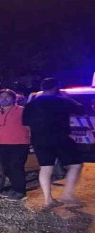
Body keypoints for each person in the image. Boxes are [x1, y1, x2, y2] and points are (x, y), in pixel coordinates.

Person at [22, 78, 86, 211]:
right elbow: (81, 110)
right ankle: (68, 195)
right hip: (60, 138)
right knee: (76, 164)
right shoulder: (62, 100)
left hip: (39, 139)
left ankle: (48, 200)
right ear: (56, 87)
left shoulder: (31, 104)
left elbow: (26, 125)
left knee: (45, 168)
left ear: (42, 87)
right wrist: (66, 96)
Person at [0, 89, 30, 200]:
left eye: (7, 96)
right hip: (4, 145)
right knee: (7, 168)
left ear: (14, 98)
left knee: (16, 167)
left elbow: (29, 126)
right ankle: (15, 189)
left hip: (20, 144)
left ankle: (20, 192)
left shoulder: (21, 110)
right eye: (1, 97)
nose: (4, 99)